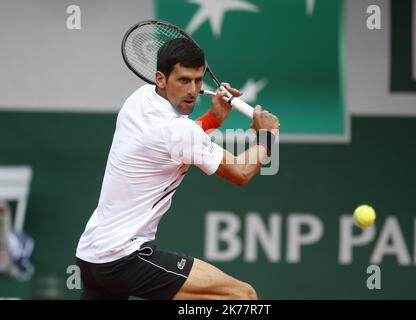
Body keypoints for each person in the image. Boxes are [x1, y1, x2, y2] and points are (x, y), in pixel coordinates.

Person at [75, 38, 280, 300]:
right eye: (183, 80)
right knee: (241, 297)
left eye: (197, 80)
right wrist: (266, 136)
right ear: (161, 78)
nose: (193, 90)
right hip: (124, 258)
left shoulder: (139, 99)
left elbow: (176, 141)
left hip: (92, 256)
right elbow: (241, 172)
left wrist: (214, 118)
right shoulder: (179, 131)